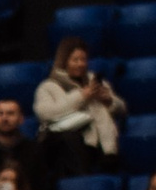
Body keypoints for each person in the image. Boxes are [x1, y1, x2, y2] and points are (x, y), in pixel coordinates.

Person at [34, 36, 125, 180]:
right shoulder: (48, 86)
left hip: (95, 143)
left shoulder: (93, 81)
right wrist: (82, 96)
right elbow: (46, 113)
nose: (81, 64)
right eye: (75, 60)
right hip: (62, 143)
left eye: (83, 60)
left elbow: (121, 107)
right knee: (68, 141)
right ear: (64, 61)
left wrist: (107, 100)